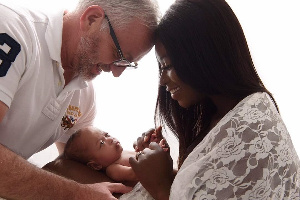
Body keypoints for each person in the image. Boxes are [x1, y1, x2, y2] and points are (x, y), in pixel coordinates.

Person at [122, 0, 300, 199]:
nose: (162, 80)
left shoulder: (249, 131)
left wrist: (160, 185)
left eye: (168, 65)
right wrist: (161, 169)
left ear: (203, 56)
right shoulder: (223, 115)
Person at [0, 0, 159, 198]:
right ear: (91, 19)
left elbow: (76, 163)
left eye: (128, 64)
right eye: (119, 56)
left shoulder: (84, 95)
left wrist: (143, 157)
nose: (117, 73)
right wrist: (78, 193)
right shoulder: (11, 32)